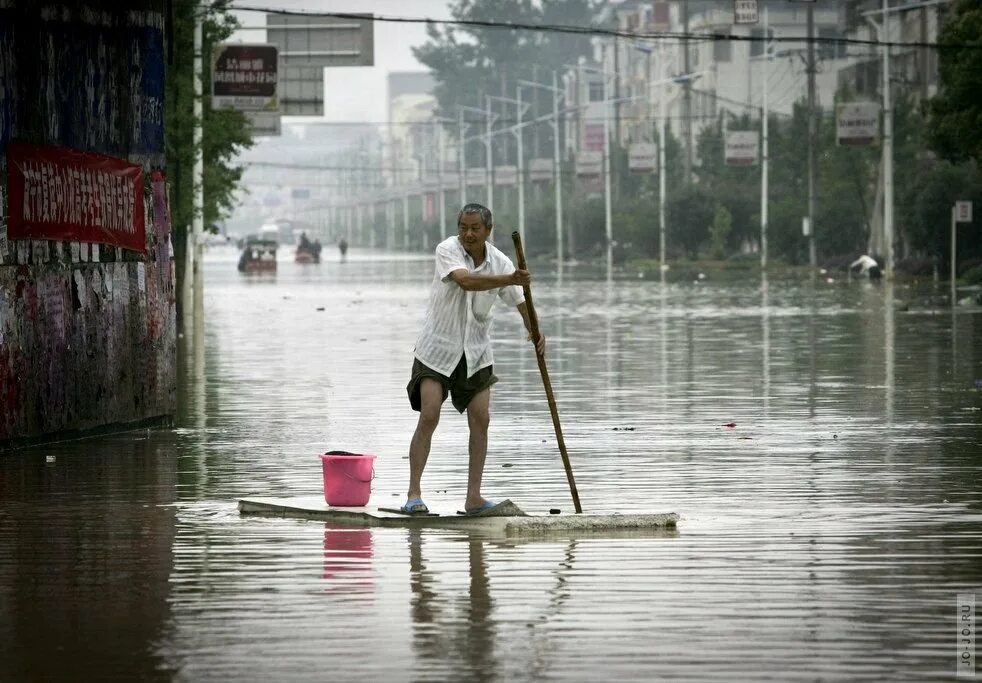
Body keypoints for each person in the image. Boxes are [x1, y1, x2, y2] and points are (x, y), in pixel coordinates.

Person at [403, 203, 545, 515]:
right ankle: (414, 493)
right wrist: (509, 279)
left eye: (475, 229)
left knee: (481, 420)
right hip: (437, 349)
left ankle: (474, 497)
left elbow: (520, 301)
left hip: (476, 352)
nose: (468, 234)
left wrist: (534, 329)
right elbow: (465, 281)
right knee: (429, 415)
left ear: (487, 231)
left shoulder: (499, 261)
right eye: (463, 227)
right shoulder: (447, 250)